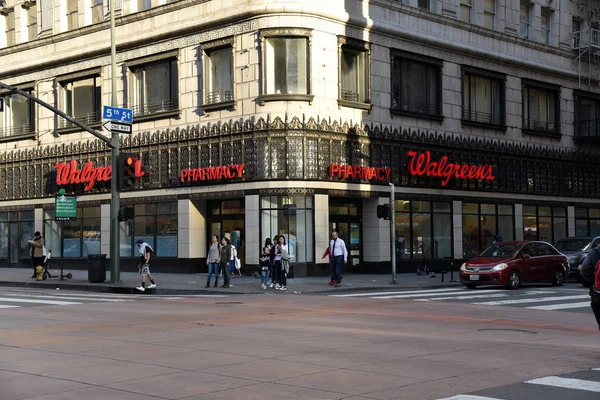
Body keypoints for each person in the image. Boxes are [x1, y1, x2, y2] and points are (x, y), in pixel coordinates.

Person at [579, 241, 600, 331]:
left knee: (596, 305)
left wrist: (595, 281)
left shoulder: (594, 252)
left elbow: (584, 269)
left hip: (598, 291)